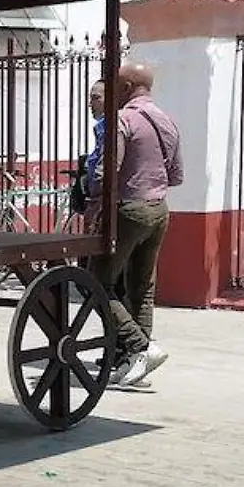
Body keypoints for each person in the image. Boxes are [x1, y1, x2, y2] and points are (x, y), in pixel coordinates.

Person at [91, 61, 183, 389]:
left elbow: (105, 172)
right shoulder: (166, 120)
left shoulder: (123, 119)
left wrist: (92, 203)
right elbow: (176, 175)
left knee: (97, 282)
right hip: (159, 209)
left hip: (128, 210)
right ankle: (138, 364)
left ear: (127, 88)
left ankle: (141, 346)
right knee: (142, 289)